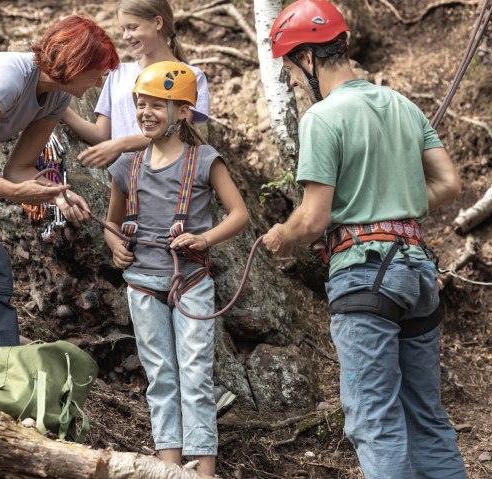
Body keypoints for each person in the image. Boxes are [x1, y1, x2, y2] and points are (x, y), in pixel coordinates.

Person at [263, 1, 467, 478]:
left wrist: (282, 236)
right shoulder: (401, 104)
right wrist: (391, 209)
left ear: (307, 59)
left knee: (374, 420)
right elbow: (448, 185)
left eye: (290, 69)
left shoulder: (323, 117)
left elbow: (313, 220)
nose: (292, 81)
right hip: (417, 272)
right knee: (427, 417)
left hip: (365, 277)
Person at [0, 15, 119, 358]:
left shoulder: (57, 99)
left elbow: (18, 168)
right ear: (74, 62)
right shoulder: (10, 77)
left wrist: (58, 192)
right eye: (97, 69)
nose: (100, 78)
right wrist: (12, 192)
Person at [104, 61, 249, 476]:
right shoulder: (128, 165)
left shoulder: (204, 160)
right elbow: (112, 225)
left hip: (191, 282)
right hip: (142, 284)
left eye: (157, 105)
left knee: (195, 373)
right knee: (160, 375)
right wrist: (115, 245)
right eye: (140, 104)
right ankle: (170, 467)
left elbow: (238, 214)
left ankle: (203, 468)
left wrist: (204, 239)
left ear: (184, 111)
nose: (145, 112)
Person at [62, 0, 210, 169]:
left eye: (132, 27)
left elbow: (177, 132)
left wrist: (120, 144)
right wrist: (59, 109)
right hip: (124, 181)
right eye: (123, 29)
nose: (125, 36)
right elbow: (101, 135)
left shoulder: (190, 76)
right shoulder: (118, 73)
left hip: (167, 180)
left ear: (158, 22)